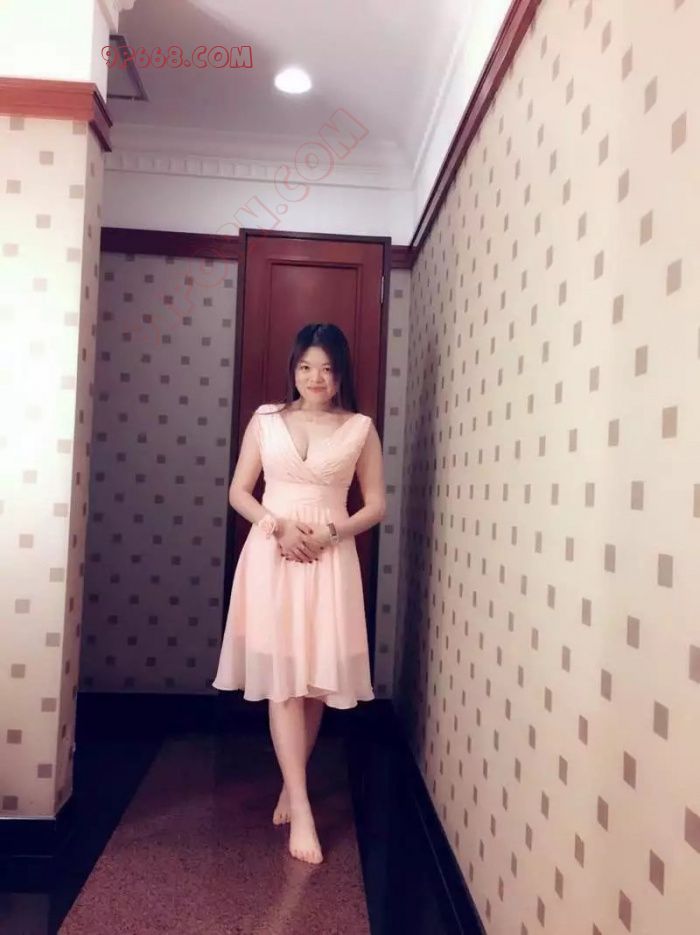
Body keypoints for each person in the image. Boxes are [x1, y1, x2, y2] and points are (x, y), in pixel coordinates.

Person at [212, 322, 386, 865]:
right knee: (284, 682)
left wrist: (331, 533)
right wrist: (278, 527)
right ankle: (303, 806)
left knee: (313, 683)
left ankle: (294, 782)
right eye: (307, 367)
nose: (316, 378)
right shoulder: (266, 420)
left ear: (341, 374)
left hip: (330, 559)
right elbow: (239, 491)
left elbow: (376, 505)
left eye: (327, 369)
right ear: (294, 369)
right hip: (274, 556)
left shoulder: (359, 428)